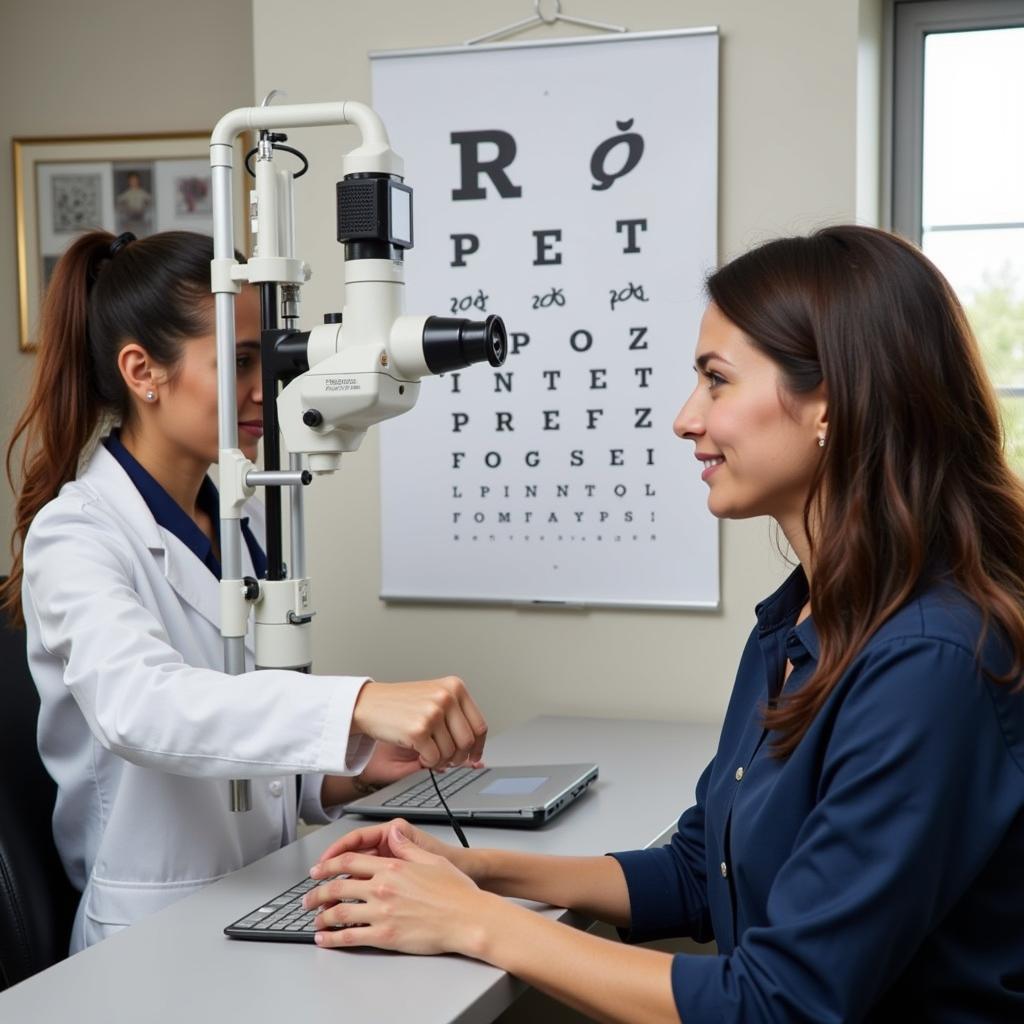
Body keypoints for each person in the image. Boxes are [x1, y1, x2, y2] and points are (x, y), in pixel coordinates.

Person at [301, 225, 1024, 1023]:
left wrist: (471, 923)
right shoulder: (801, 620)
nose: (685, 419)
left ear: (833, 402)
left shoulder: (930, 662)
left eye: (717, 381)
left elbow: (780, 1005)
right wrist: (470, 872)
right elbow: (698, 872)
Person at [0, 229, 487, 953]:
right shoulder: (77, 534)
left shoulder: (243, 514)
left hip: (264, 892)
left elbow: (245, 741)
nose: (269, 388)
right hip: (147, 937)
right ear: (143, 371)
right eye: (239, 362)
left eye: (273, 359)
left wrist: (343, 770)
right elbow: (143, 708)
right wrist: (357, 702)